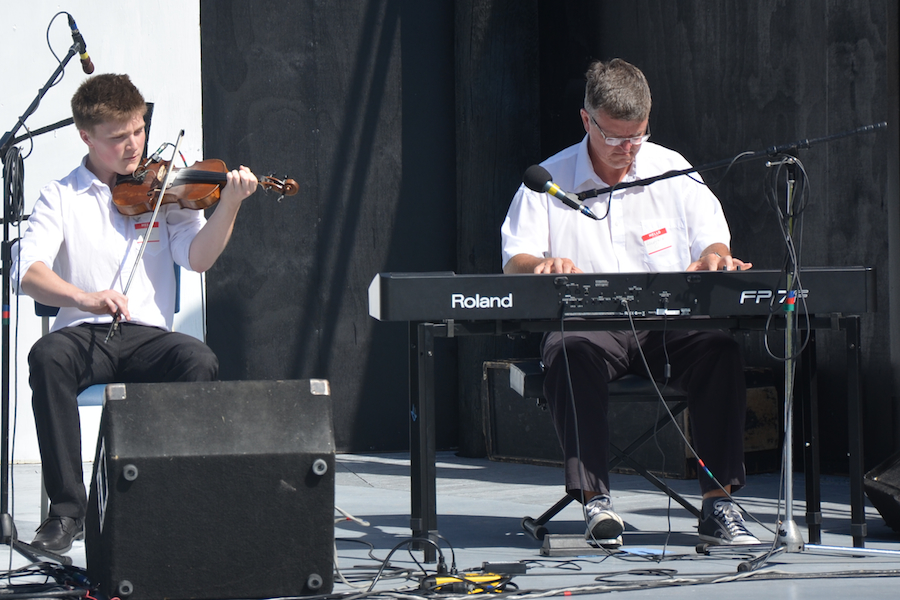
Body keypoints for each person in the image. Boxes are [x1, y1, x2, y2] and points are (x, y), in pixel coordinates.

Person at [501, 59, 760, 547]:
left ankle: (719, 504)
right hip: (592, 323)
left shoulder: (672, 170)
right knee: (568, 350)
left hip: (669, 320)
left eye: (637, 137)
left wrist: (714, 259)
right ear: (586, 120)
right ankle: (595, 502)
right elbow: (514, 257)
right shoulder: (548, 179)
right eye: (615, 138)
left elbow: (714, 241)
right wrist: (540, 266)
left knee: (719, 349)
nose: (627, 150)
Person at [11, 74, 258, 554]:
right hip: (85, 332)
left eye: (139, 130)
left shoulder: (167, 189)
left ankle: (168, 503)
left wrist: (229, 205)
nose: (134, 145)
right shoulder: (60, 196)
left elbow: (198, 258)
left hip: (148, 334)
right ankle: (66, 513)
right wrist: (83, 297)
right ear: (86, 137)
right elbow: (28, 271)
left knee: (198, 360)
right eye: (118, 137)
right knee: (46, 356)